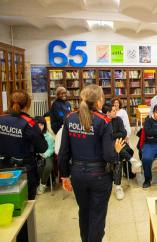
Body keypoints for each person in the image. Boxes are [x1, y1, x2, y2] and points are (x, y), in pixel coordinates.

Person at [58, 85, 124, 242]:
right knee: (98, 215)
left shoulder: (70, 117)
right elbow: (109, 155)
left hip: (77, 174)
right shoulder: (103, 121)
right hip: (99, 175)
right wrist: (117, 151)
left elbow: (63, 152)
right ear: (100, 102)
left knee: (84, 212)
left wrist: (65, 175)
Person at [0, 90, 48, 242]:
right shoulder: (29, 123)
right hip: (25, 170)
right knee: (25, 208)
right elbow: (43, 148)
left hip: (4, 167)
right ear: (28, 104)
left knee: (6, 203)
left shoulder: (1, 119)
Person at [102, 103, 142, 200]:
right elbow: (104, 138)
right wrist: (114, 137)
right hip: (108, 147)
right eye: (114, 110)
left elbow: (123, 134)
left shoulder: (118, 119)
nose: (116, 111)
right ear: (108, 113)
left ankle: (118, 186)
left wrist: (113, 136)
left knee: (118, 154)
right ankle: (132, 160)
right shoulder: (102, 122)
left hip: (121, 144)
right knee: (118, 156)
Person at [34, 116, 55, 195]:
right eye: (38, 124)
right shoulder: (31, 134)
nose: (40, 126)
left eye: (42, 124)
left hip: (46, 155)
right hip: (34, 155)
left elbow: (51, 149)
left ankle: (42, 184)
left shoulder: (48, 136)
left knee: (48, 166)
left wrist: (44, 155)